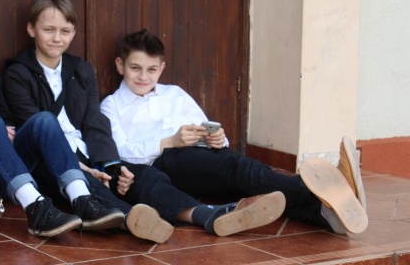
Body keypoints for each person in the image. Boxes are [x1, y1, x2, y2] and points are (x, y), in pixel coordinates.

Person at [3, 0, 287, 240]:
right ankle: (129, 220)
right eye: (49, 30)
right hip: (50, 157)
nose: (57, 38)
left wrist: (113, 167)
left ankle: (205, 214)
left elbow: (93, 123)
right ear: (31, 29)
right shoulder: (17, 73)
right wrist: (87, 168)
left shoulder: (80, 69)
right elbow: (38, 130)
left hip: (89, 153)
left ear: (74, 33)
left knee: (141, 175)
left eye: (64, 31)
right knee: (83, 173)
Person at [100, 28, 368, 235]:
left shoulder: (175, 94)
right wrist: (169, 141)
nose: (143, 77)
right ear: (120, 65)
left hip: (198, 158)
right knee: (235, 167)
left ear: (162, 68)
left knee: (245, 176)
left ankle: (323, 214)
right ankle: (325, 189)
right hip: (162, 161)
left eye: (151, 70)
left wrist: (217, 138)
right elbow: (119, 151)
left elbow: (204, 127)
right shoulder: (111, 106)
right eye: (135, 68)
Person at [0, 5, 124, 237]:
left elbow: (6, 118)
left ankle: (82, 198)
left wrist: (3, 129)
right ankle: (36, 206)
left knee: (44, 119)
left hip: (0, 163)